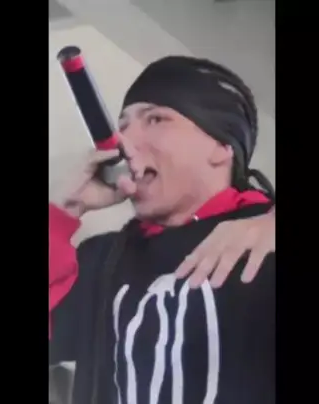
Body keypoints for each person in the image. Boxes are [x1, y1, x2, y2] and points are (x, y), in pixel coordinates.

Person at [49, 55, 276, 404]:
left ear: (222, 146)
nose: (122, 142)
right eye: (122, 125)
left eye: (155, 119)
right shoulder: (101, 259)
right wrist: (63, 211)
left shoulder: (264, 242)